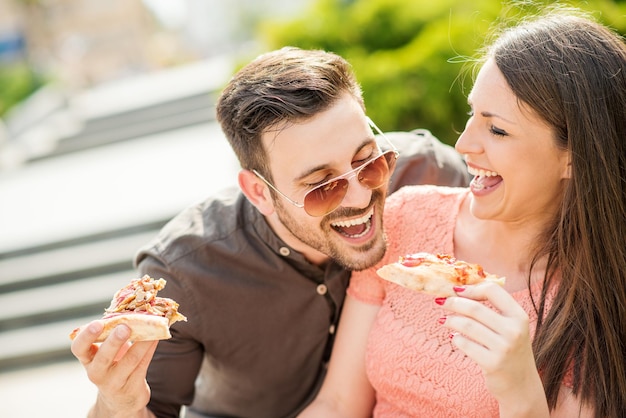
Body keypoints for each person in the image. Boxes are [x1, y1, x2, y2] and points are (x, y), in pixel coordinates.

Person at [70, 46, 469, 418]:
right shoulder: (184, 273)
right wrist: (116, 403)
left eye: (368, 161)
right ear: (259, 192)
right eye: (322, 186)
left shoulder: (427, 174)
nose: (362, 194)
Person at [299, 8, 626, 418]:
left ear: (573, 158)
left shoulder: (599, 303)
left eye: (498, 129)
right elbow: (338, 404)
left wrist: (519, 390)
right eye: (473, 114)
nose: (464, 145)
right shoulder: (406, 218)